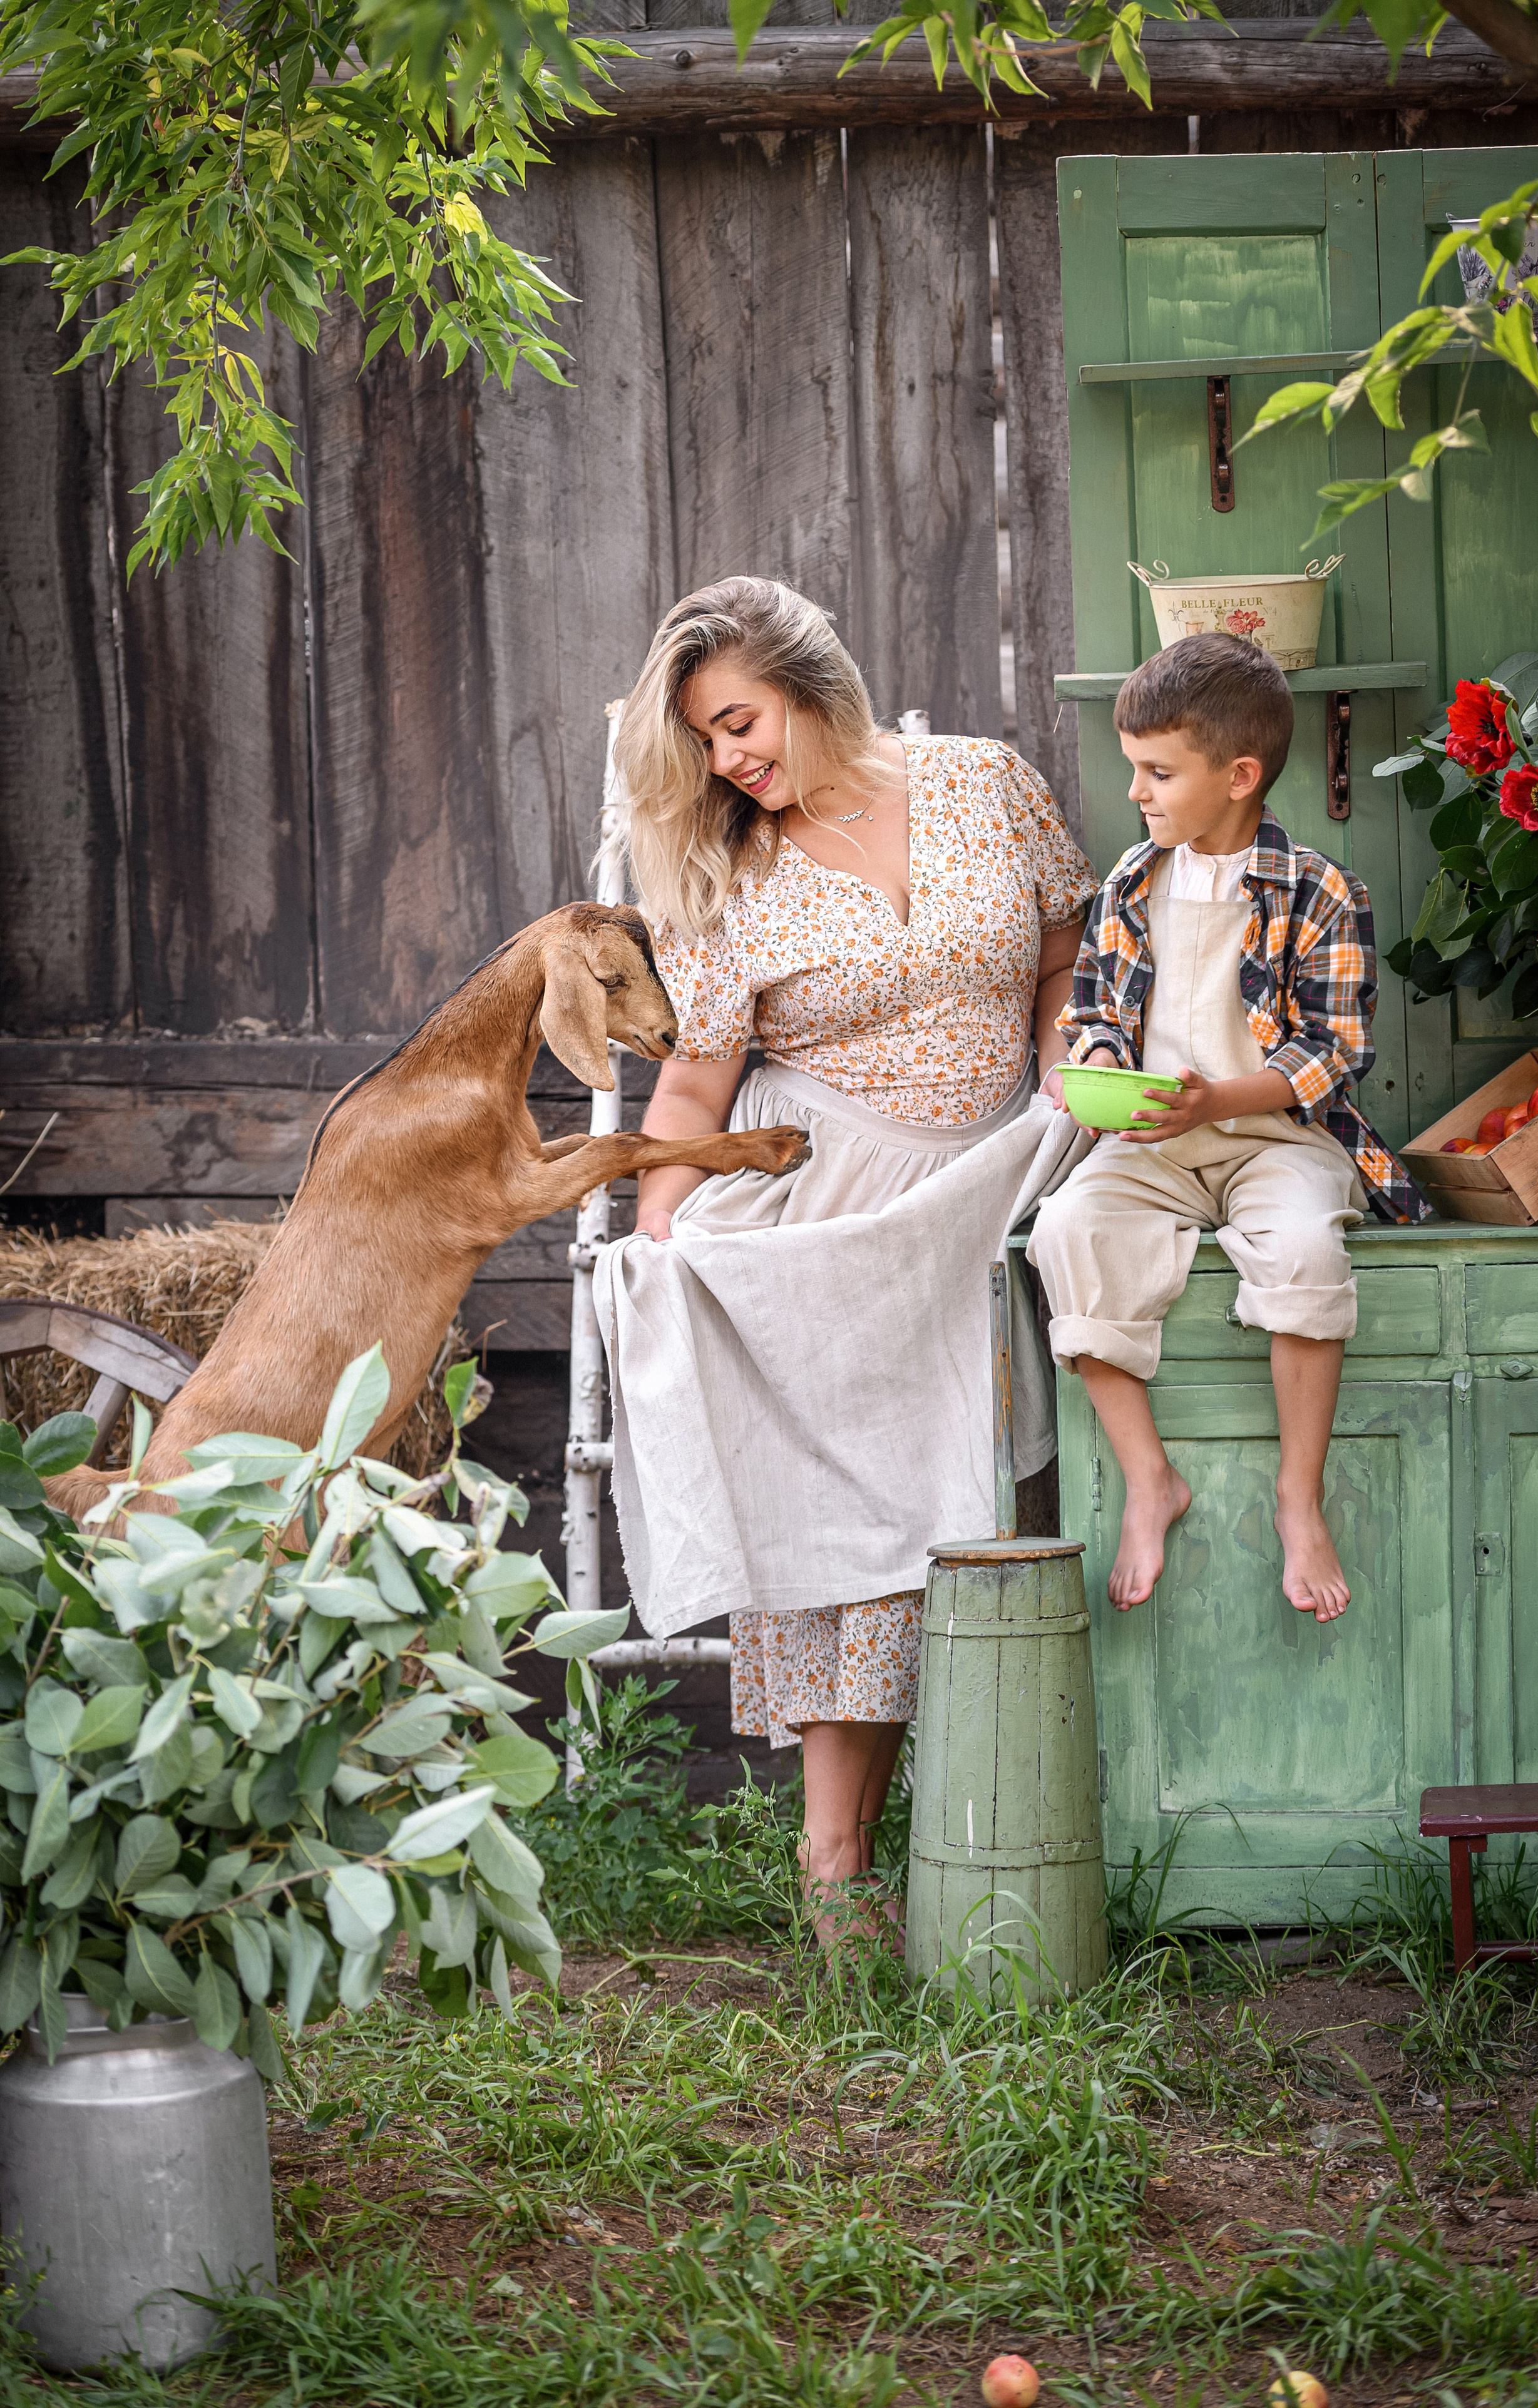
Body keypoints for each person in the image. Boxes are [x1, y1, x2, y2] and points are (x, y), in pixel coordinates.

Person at [592, 576, 1097, 1948]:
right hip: (824, 1204)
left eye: (737, 720)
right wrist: (659, 1231)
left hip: (992, 1188)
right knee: (854, 1548)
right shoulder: (731, 871)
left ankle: (985, 1848)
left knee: (958, 1531)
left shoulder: (986, 783)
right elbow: (694, 1091)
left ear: (813, 682)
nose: (724, 760)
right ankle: (836, 1872)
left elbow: (1063, 963)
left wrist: (1060, 1077)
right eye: (701, 741)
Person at [1027, 635, 1430, 1627]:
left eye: (1159, 772)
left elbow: (1332, 1052)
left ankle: (1301, 1497)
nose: (1138, 793)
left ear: (1239, 777)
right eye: (1135, 770)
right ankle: (1149, 1478)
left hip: (1272, 1141)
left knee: (1301, 1253)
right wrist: (1099, 1072)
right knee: (1066, 1233)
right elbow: (1094, 1017)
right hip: (1152, 1145)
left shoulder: (1322, 891)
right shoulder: (1129, 884)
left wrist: (1219, 1101)